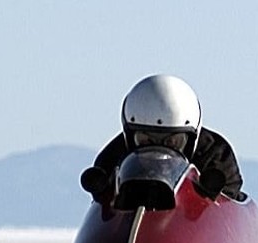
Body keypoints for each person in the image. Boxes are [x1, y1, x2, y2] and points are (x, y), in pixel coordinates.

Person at [80, 74, 245, 203]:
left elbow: (228, 200)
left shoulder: (216, 156)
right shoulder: (111, 161)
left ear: (191, 139)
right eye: (145, 141)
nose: (159, 152)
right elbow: (104, 206)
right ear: (129, 137)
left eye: (173, 142)